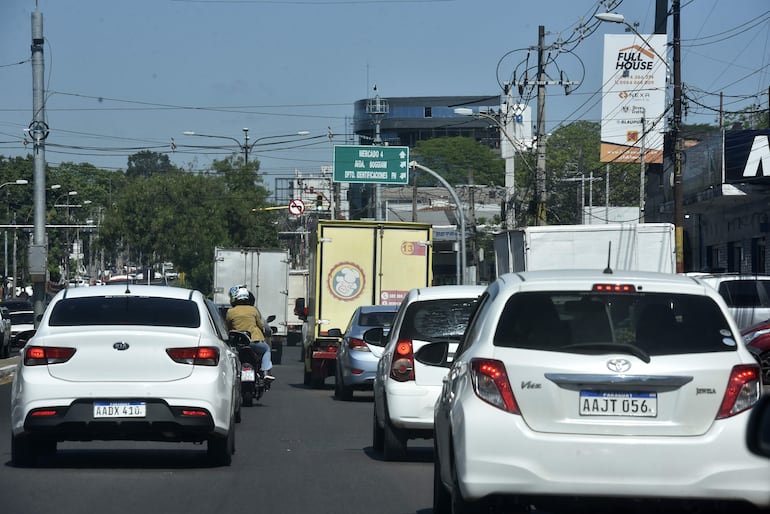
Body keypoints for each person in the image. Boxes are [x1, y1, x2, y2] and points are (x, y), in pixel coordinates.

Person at [225, 285, 275, 381]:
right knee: (266, 350)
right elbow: (260, 324)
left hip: (237, 343)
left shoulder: (230, 312)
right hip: (254, 341)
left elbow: (227, 326)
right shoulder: (253, 310)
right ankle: (265, 372)